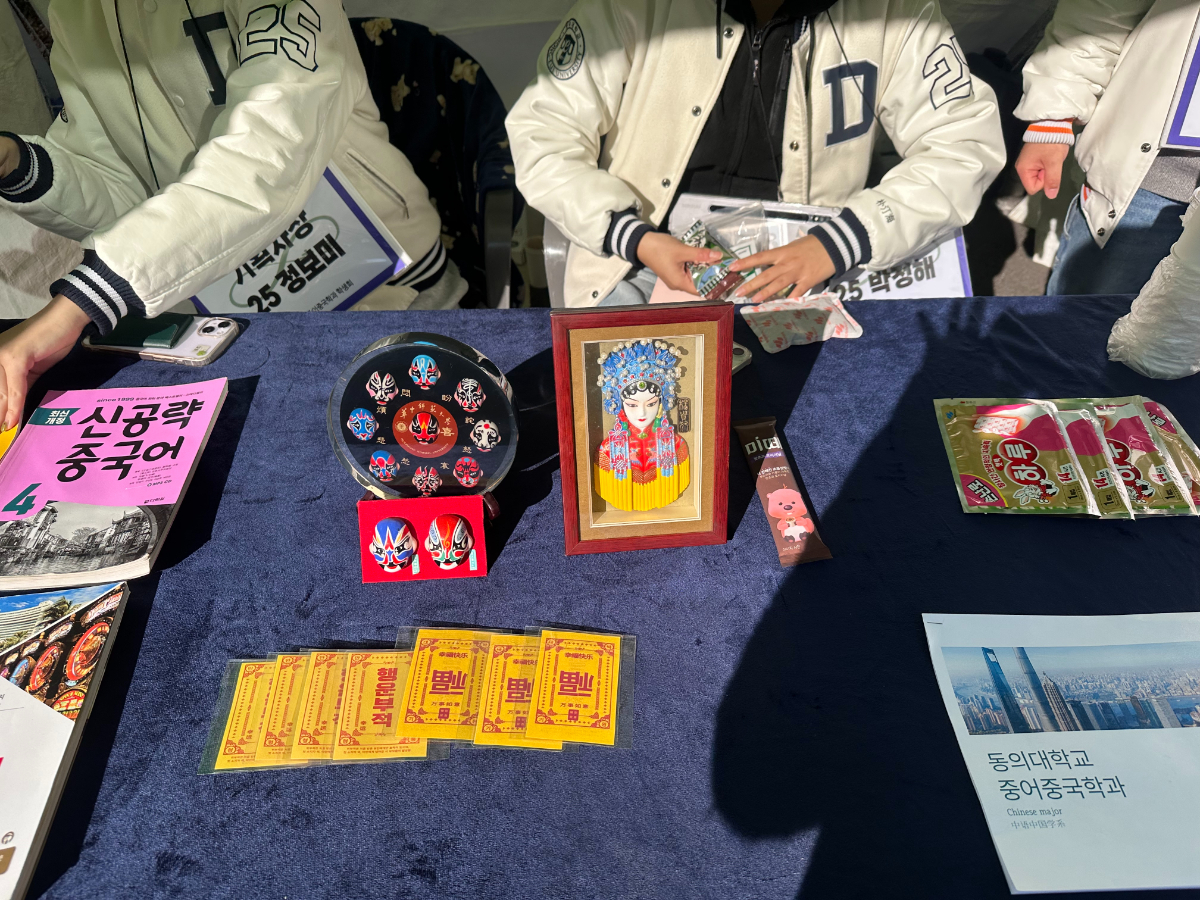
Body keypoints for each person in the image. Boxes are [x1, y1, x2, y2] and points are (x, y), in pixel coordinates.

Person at [0, 0, 459, 432]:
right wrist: (18, 165)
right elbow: (126, 193)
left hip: (384, 286)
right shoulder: (76, 11)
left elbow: (269, 151)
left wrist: (79, 304)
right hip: (235, 320)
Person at [506, 0, 1005, 307]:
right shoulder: (630, 6)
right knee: (635, 421)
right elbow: (542, 130)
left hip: (814, 262)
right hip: (644, 255)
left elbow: (963, 142)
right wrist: (631, 236)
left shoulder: (897, 11)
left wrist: (842, 241)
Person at [1013, 0, 1200, 295]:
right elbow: (1103, 11)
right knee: (1081, 315)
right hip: (1153, 176)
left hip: (1154, 176)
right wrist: (1053, 119)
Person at [594, 339, 690, 511]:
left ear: (661, 403)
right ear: (620, 404)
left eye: (651, 404)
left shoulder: (676, 445)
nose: (642, 413)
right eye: (632, 405)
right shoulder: (607, 449)